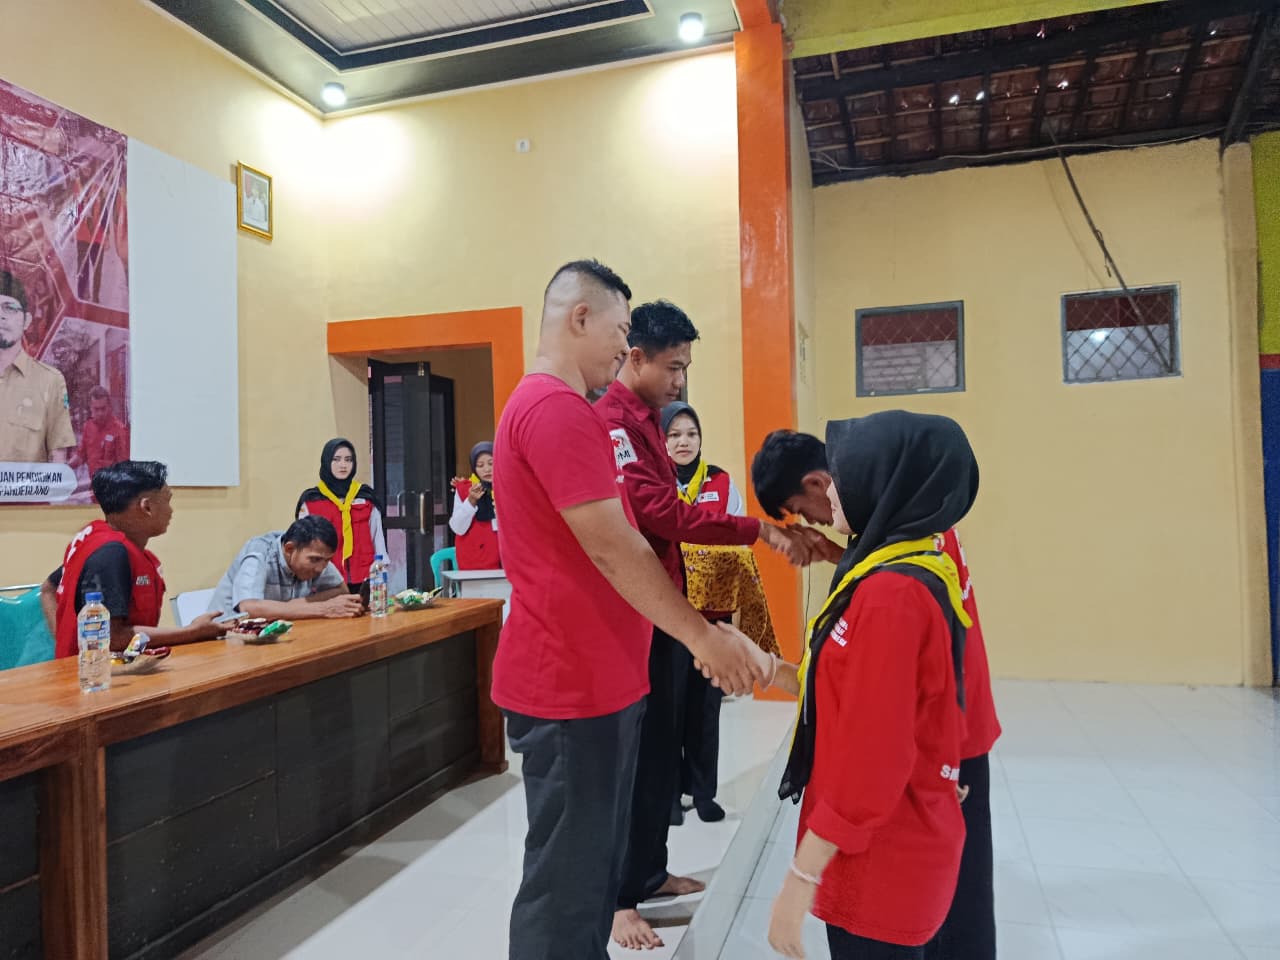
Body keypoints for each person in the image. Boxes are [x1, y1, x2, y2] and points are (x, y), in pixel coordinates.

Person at [492, 261, 772, 960]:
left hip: (600, 678)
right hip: (568, 684)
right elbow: (617, 548)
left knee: (589, 871)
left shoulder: (568, 410)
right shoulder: (555, 410)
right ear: (579, 318)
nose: (625, 349)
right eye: (620, 332)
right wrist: (703, 637)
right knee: (565, 886)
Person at [596, 300, 815, 951]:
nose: (680, 380)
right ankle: (618, 900)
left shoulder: (648, 422)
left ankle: (650, 872)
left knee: (665, 749)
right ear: (637, 357)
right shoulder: (613, 423)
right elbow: (658, 513)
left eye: (686, 368)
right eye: (673, 367)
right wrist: (760, 531)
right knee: (635, 760)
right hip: (633, 615)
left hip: (667, 608)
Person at [751, 429, 1001, 960]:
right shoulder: (915, 528)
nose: (824, 509)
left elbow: (872, 754)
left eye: (818, 501)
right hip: (939, 736)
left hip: (937, 743)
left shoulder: (892, 595)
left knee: (954, 907)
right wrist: (769, 668)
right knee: (951, 895)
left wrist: (801, 877)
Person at [662, 399, 754, 829]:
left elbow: (738, 538)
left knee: (705, 706)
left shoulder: (720, 482)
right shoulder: (654, 482)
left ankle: (703, 793)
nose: (683, 442)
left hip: (711, 613)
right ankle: (667, 796)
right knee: (668, 707)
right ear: (662, 441)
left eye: (691, 434)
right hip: (666, 612)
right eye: (674, 435)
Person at [40, 461, 227, 656]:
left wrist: (65, 642)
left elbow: (48, 588)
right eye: (167, 500)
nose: (171, 511)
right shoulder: (111, 553)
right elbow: (113, 638)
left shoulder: (96, 538)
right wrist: (192, 632)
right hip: (97, 671)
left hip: (116, 665)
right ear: (147, 507)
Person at [208, 515, 365, 621]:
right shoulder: (259, 552)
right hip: (225, 639)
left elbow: (341, 590)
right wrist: (323, 608)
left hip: (275, 635)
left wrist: (298, 604)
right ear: (289, 549)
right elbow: (249, 608)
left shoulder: (315, 553)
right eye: (315, 560)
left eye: (328, 560)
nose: (320, 569)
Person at [0, 270, 75, 464]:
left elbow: (58, 457)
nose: (1, 316)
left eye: (9, 308)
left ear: (27, 321)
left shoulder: (50, 381)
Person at [295, 438, 387, 591]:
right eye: (336, 459)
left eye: (348, 460)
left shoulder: (366, 497)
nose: (343, 465)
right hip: (325, 579)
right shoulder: (311, 501)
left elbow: (377, 537)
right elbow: (303, 544)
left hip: (365, 577)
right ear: (326, 462)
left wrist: (381, 569)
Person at [449, 441, 500, 569]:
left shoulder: (510, 488)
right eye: (480, 465)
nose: (486, 469)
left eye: (491, 463)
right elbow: (458, 528)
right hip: (475, 565)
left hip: (508, 563)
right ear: (474, 468)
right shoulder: (464, 490)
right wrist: (471, 501)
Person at [71, 385, 129, 478]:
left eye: (103, 408)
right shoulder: (88, 427)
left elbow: (124, 468)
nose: (100, 413)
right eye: (96, 409)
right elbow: (81, 456)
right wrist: (65, 467)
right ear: (91, 407)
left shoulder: (119, 430)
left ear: (109, 407)